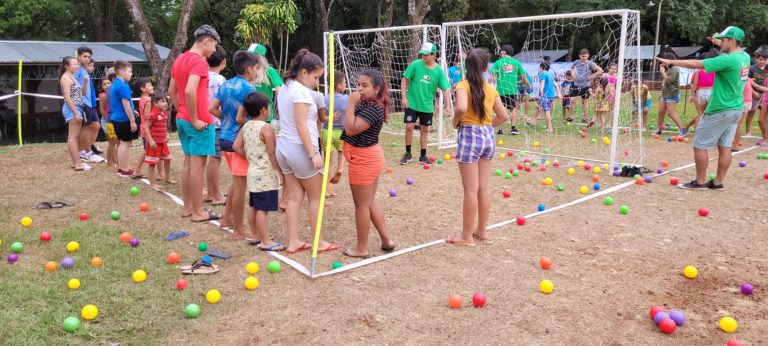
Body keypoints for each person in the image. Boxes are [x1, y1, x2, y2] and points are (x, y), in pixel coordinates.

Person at [655, 26, 750, 190]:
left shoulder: (727, 60)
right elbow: (728, 52)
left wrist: (671, 61)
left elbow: (696, 63)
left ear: (732, 41)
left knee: (700, 145)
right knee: (725, 146)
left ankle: (700, 182)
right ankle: (718, 182)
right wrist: (718, 42)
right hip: (735, 108)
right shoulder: (745, 57)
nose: (721, 43)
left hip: (720, 108)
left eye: (724, 40)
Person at [275, 49, 338, 254]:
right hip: (299, 149)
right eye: (315, 77)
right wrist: (313, 153)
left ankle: (293, 241)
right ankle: (317, 242)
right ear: (303, 72)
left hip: (283, 147)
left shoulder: (284, 87)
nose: (316, 82)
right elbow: (302, 125)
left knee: (294, 196)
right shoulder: (300, 92)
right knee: (316, 197)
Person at [446, 48, 507, 246]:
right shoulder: (490, 88)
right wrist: (487, 127)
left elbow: (462, 107)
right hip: (488, 136)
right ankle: (481, 230)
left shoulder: (463, 85)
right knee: (483, 187)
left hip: (470, 135)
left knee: (470, 189)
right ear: (485, 67)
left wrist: (456, 121)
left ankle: (466, 236)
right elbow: (503, 116)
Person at [168, 24, 221, 222]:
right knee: (198, 165)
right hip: (198, 121)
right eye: (214, 45)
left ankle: (188, 207)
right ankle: (199, 212)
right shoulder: (199, 62)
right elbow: (190, 90)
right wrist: (195, 118)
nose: (214, 50)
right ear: (206, 41)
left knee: (189, 164)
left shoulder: (179, 59)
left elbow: (172, 92)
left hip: (182, 119)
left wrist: (182, 110)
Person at [340, 70, 396, 257]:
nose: (360, 89)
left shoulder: (374, 108)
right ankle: (386, 240)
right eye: (359, 85)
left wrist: (350, 103)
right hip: (366, 157)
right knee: (369, 201)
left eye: (365, 86)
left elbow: (351, 128)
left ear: (376, 88)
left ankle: (361, 248)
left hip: (364, 160)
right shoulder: (365, 104)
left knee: (361, 205)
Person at [209, 50, 259, 240]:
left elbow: (211, 108)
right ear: (248, 69)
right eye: (255, 69)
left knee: (236, 182)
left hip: (224, 137)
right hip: (238, 142)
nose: (256, 72)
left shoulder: (226, 84)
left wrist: (227, 120)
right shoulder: (249, 89)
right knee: (240, 186)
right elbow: (248, 118)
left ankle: (227, 219)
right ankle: (238, 228)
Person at [233, 92, 286, 251]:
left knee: (254, 206)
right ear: (264, 110)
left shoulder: (246, 126)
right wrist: (281, 173)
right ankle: (265, 241)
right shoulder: (266, 127)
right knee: (263, 209)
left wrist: (251, 156)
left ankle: (256, 235)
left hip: (253, 172)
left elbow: (236, 146)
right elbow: (271, 153)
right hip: (265, 174)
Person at [400, 42, 451, 165]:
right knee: (409, 126)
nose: (424, 56)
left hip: (427, 106)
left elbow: (445, 89)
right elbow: (404, 79)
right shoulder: (415, 65)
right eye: (422, 54)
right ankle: (408, 154)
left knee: (424, 129)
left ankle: (423, 156)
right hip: (412, 103)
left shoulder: (439, 70)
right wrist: (404, 98)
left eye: (427, 55)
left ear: (434, 55)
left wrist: (448, 106)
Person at [73, 46, 105, 163]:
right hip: (82, 103)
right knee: (86, 127)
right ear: (78, 56)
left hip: (88, 103)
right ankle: (88, 153)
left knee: (90, 126)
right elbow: (74, 87)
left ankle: (84, 151)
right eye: (84, 56)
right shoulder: (76, 69)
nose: (87, 59)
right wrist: (77, 104)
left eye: (89, 57)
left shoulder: (83, 70)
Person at [205, 45, 228, 206]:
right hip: (216, 123)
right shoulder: (221, 80)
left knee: (211, 159)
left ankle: (212, 192)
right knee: (215, 159)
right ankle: (215, 195)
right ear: (224, 62)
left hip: (205, 122)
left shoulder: (202, 77)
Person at [59, 56, 91, 171]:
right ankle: (78, 163)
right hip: (72, 108)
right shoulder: (65, 78)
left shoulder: (72, 77)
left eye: (77, 64)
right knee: (73, 137)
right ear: (66, 66)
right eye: (74, 64)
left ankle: (75, 162)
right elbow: (67, 98)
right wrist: (76, 112)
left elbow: (81, 94)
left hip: (77, 106)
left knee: (73, 137)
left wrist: (85, 84)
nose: (77, 66)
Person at [490, 45, 530, 135]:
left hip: (500, 90)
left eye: (501, 52)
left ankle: (500, 130)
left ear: (504, 52)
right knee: (513, 109)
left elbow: (492, 75)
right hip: (512, 90)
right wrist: (529, 85)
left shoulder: (498, 62)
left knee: (500, 109)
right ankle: (513, 128)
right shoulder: (516, 63)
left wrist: (488, 82)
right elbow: (523, 76)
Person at [109, 60, 139, 177]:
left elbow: (124, 103)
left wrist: (133, 110)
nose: (131, 74)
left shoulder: (115, 84)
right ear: (121, 72)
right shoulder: (123, 86)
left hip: (116, 117)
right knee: (126, 144)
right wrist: (132, 121)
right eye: (130, 71)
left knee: (122, 143)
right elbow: (125, 104)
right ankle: (124, 169)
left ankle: (122, 167)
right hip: (123, 119)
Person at [323, 71, 348, 197]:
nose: (345, 85)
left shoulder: (324, 98)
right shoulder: (346, 99)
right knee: (342, 152)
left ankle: (327, 189)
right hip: (341, 132)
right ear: (339, 85)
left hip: (327, 132)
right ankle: (340, 169)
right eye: (344, 82)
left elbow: (321, 116)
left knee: (328, 162)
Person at [248, 43, 284, 123]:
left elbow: (280, 90)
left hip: (265, 112)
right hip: (250, 111)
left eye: (250, 55)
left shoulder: (270, 71)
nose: (247, 58)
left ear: (258, 56)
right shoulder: (248, 70)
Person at [144, 92, 173, 189]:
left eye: (166, 101)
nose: (166, 103)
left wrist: (166, 134)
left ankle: (167, 178)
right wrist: (151, 140)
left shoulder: (163, 113)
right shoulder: (153, 114)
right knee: (152, 163)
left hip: (162, 142)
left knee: (168, 159)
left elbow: (163, 126)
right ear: (155, 104)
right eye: (162, 101)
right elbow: (146, 127)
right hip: (154, 143)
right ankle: (152, 183)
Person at [684, 51, 717, 132]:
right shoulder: (715, 70)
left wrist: (692, 95)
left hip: (701, 92)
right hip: (711, 91)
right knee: (711, 114)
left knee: (700, 114)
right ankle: (709, 133)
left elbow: (694, 83)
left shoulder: (699, 70)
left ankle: (696, 134)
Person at [656, 52, 686, 136]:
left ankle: (682, 129)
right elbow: (664, 83)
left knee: (670, 113)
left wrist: (662, 72)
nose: (661, 62)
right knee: (661, 111)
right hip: (665, 94)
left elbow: (669, 81)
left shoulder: (674, 68)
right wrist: (661, 93)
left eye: (663, 60)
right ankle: (659, 129)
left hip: (672, 94)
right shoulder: (667, 68)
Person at [570, 49, 603, 123]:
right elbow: (571, 68)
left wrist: (592, 76)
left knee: (584, 102)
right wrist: (572, 74)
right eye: (582, 56)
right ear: (579, 56)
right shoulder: (576, 62)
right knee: (572, 101)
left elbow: (600, 70)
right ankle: (571, 117)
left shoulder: (590, 63)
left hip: (585, 85)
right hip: (576, 84)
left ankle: (585, 118)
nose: (584, 58)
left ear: (588, 56)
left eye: (585, 56)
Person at [131, 77, 153, 179]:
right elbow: (147, 118)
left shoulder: (143, 99)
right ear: (142, 89)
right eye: (149, 85)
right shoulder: (148, 100)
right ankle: (137, 170)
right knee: (146, 150)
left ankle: (137, 170)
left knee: (146, 149)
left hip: (144, 128)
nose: (152, 87)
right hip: (148, 129)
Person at [731, 76, 758, 151]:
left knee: (737, 124)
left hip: (744, 103)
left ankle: (735, 145)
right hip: (745, 102)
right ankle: (733, 142)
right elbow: (757, 87)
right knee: (735, 124)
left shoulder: (740, 79)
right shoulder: (746, 79)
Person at [746, 51, 768, 136]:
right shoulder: (752, 68)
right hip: (754, 94)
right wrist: (753, 92)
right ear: (756, 59)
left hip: (765, 96)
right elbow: (747, 82)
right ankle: (748, 132)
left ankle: (765, 133)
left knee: (765, 116)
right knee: (751, 112)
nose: (762, 61)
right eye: (760, 59)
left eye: (765, 60)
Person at [98, 74, 118, 167]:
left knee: (115, 142)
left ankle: (115, 161)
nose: (107, 85)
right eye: (104, 84)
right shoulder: (103, 96)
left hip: (114, 120)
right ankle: (109, 162)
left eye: (108, 83)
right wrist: (108, 120)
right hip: (107, 121)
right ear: (101, 87)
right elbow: (102, 110)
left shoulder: (114, 94)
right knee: (112, 142)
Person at [537, 61, 561, 132]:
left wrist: (541, 92)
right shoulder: (550, 75)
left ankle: (550, 128)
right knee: (537, 106)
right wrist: (559, 94)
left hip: (545, 96)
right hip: (551, 96)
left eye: (540, 68)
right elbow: (556, 85)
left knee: (547, 112)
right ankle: (534, 120)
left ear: (542, 68)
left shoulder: (543, 74)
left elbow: (542, 83)